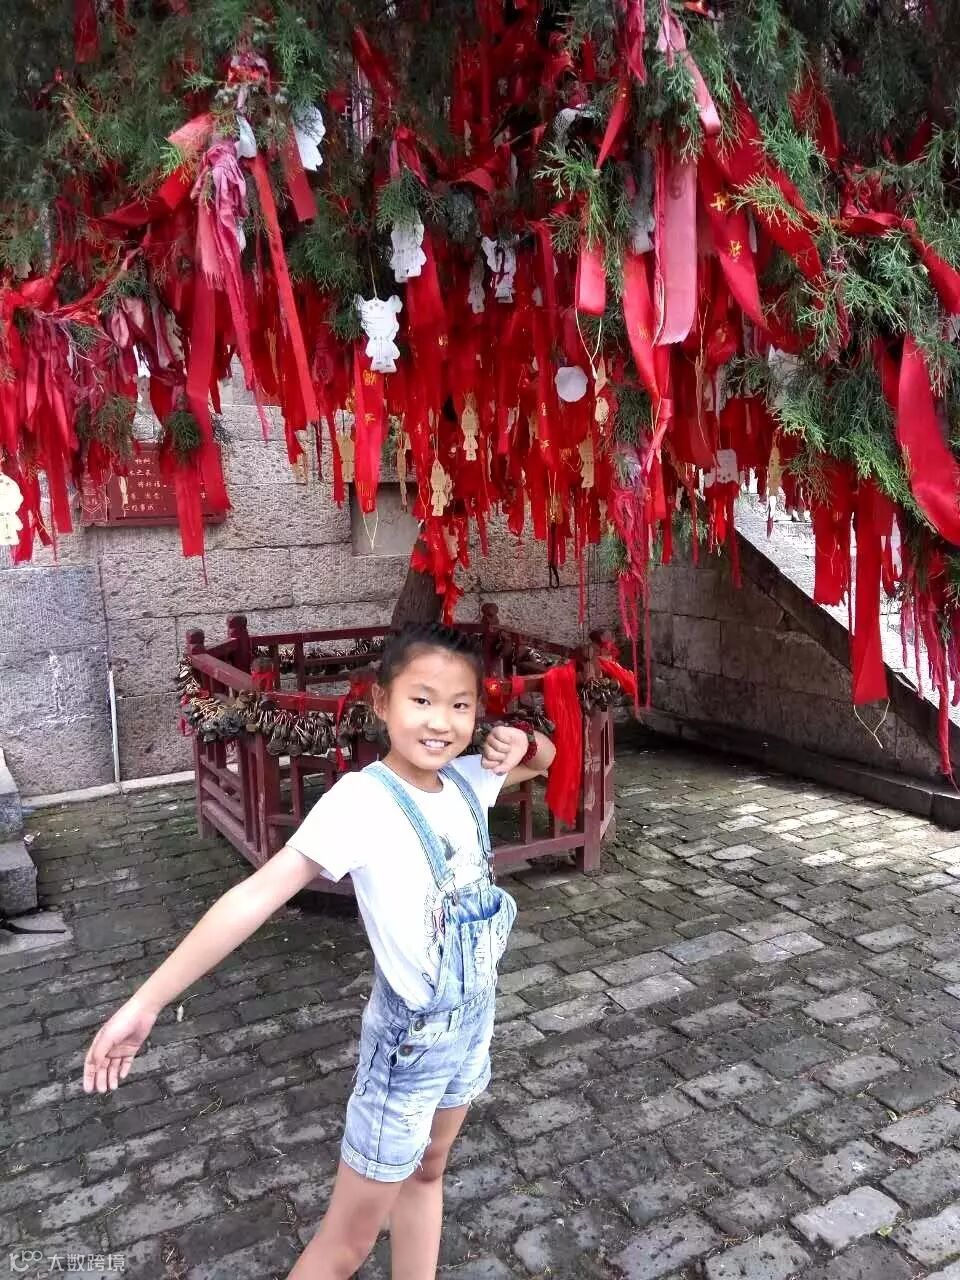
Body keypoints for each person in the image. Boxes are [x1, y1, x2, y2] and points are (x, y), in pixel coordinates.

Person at [83, 622, 556, 1280]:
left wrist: (526, 741)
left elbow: (544, 759)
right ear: (381, 702)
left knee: (429, 1172)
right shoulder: (360, 802)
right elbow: (256, 895)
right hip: (409, 1046)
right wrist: (147, 1001)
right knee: (345, 1248)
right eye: (421, 700)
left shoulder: (469, 783)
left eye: (460, 704)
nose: (440, 721)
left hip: (473, 1028)